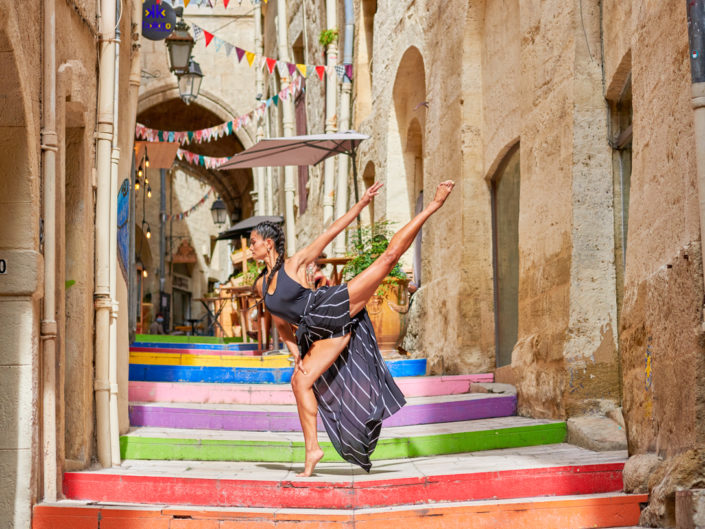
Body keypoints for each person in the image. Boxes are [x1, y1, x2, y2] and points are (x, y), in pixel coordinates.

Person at [250, 180, 455, 477]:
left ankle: (434, 205)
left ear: (268, 243)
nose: (251, 246)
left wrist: (360, 205)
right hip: (317, 333)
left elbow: (330, 232)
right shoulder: (261, 286)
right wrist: (295, 352)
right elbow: (281, 324)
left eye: (253, 241)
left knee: (386, 259)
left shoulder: (294, 265)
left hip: (330, 306)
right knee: (299, 382)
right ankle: (313, 451)